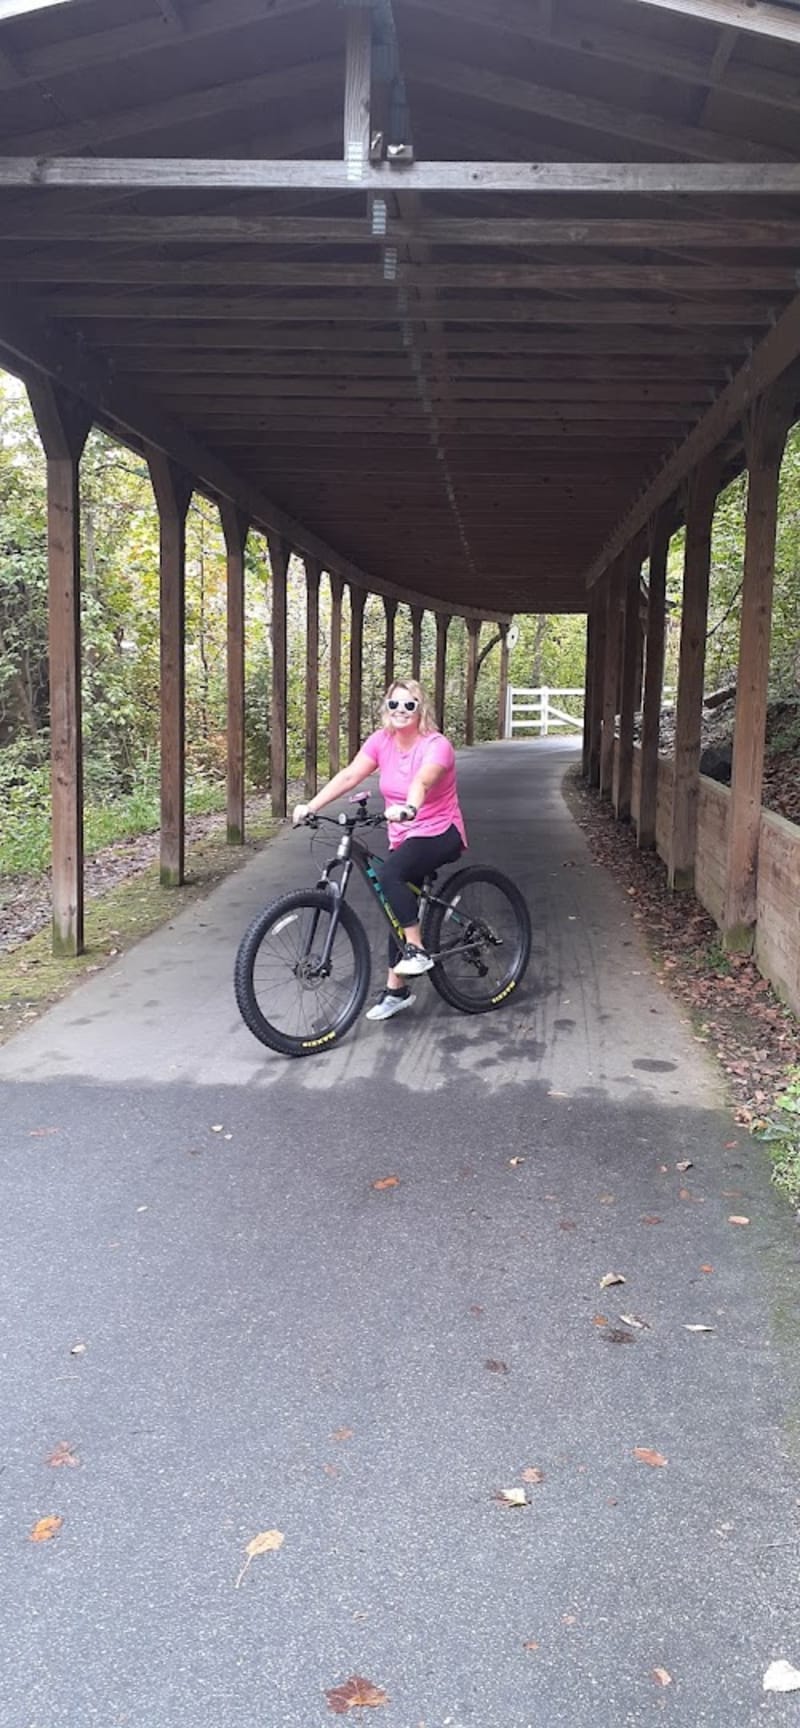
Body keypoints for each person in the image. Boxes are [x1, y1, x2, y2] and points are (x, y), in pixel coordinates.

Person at [292, 678, 466, 1022]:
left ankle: (416, 950)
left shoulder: (437, 745)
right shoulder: (381, 741)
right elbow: (349, 776)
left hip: (440, 830)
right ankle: (397, 990)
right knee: (395, 903)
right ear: (386, 707)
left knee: (391, 875)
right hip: (404, 835)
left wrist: (410, 807)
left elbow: (423, 780)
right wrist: (311, 805)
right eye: (394, 704)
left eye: (409, 705)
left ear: (421, 709)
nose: (401, 710)